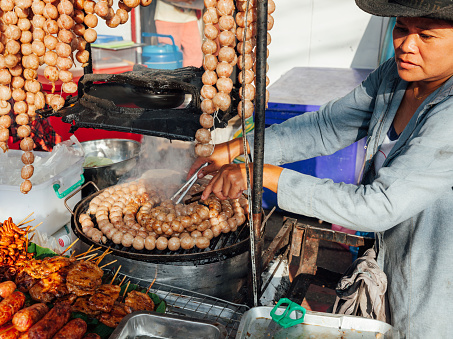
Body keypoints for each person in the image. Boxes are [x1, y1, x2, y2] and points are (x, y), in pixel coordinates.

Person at [188, 0, 453, 337]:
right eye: (401, 28)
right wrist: (238, 148)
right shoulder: (395, 77)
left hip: (435, 287)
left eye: (426, 36)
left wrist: (263, 176)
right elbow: (326, 128)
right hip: (390, 261)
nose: (406, 45)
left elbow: (377, 206)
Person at [154, 0, 203, 67]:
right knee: (171, 56)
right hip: (167, 15)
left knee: (195, 55)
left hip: (190, 14)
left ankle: (192, 76)